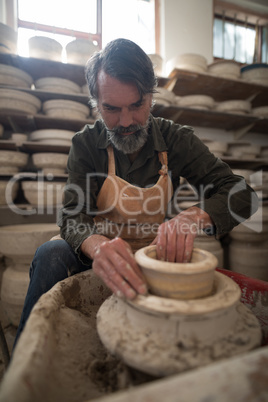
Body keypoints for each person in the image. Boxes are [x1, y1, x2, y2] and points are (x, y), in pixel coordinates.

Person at [14, 38, 258, 346]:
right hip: (98, 258)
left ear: (151, 97)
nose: (126, 122)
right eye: (111, 109)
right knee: (51, 254)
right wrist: (97, 245)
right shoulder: (86, 144)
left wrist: (194, 217)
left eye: (137, 105)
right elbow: (72, 213)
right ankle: (24, 366)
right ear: (96, 103)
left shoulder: (175, 139)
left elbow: (243, 194)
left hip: (151, 254)